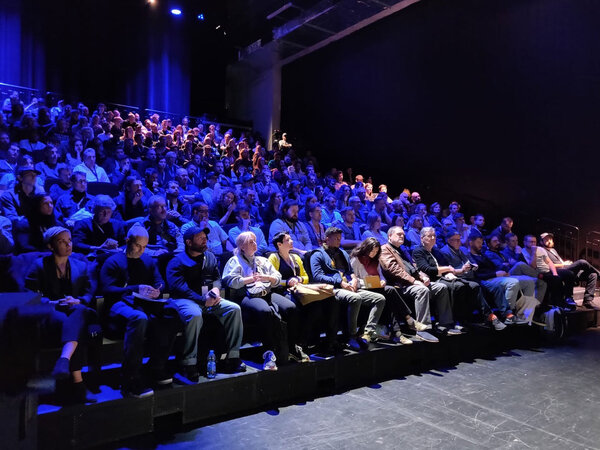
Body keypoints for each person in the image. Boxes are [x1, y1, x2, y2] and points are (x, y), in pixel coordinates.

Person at [100, 225, 179, 398]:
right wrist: (136, 288)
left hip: (143, 303)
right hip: (118, 305)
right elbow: (107, 289)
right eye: (138, 246)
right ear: (128, 241)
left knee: (172, 311)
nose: (142, 250)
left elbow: (159, 281)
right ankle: (130, 378)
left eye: (145, 247)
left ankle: (156, 366)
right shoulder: (113, 261)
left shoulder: (148, 260)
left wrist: (157, 289)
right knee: (139, 318)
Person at [25, 227, 99, 404]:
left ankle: (64, 362)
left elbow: (89, 292)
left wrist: (78, 300)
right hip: (52, 312)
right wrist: (53, 303)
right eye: (62, 241)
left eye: (70, 240)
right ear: (51, 246)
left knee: (79, 312)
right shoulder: (39, 266)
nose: (68, 244)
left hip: (77, 309)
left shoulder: (80, 265)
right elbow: (31, 295)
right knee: (73, 324)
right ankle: (77, 382)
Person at [166, 227, 246, 382]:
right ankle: (189, 363)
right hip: (185, 299)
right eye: (200, 237)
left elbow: (216, 277)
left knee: (234, 309)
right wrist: (203, 300)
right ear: (189, 242)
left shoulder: (209, 257)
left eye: (205, 237)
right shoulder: (177, 261)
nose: (205, 240)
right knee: (195, 315)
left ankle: (233, 357)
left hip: (209, 297)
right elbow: (179, 287)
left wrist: (216, 290)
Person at [222, 231, 302, 370]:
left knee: (291, 307)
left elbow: (276, 277)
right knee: (265, 311)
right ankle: (269, 354)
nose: (255, 244)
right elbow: (229, 281)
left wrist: (268, 278)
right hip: (246, 295)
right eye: (250, 242)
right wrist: (250, 279)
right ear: (242, 247)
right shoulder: (234, 261)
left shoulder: (262, 260)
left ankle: (291, 347)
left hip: (266, 292)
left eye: (255, 241)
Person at [413, 228, 505, 331]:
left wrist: (458, 271)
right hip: (432, 279)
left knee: (474, 285)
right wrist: (447, 270)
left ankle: (488, 316)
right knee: (459, 286)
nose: (433, 238)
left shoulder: (436, 251)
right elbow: (426, 269)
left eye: (434, 235)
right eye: (429, 236)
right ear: (421, 238)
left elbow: (448, 268)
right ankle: (458, 320)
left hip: (445, 277)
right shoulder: (418, 251)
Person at [310, 227, 386, 350]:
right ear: (327, 238)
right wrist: (340, 282)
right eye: (336, 238)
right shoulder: (317, 254)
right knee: (355, 298)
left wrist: (354, 279)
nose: (339, 241)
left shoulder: (343, 253)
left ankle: (368, 332)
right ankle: (352, 336)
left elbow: (350, 271)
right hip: (332, 288)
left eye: (340, 238)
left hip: (349, 286)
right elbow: (317, 276)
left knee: (379, 299)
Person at [350, 238, 429, 344]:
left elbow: (381, 275)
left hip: (376, 286)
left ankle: (399, 333)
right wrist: (368, 283)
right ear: (366, 248)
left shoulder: (375, 260)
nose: (373, 254)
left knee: (390, 294)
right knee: (390, 292)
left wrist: (382, 281)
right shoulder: (357, 259)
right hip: (363, 288)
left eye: (376, 251)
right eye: (372, 251)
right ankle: (408, 321)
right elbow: (353, 277)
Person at [379, 226, 450, 342]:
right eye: (398, 234)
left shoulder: (403, 249)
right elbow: (394, 270)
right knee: (422, 290)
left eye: (403, 234)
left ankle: (445, 323)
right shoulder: (385, 249)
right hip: (400, 285)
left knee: (441, 287)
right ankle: (423, 330)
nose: (402, 236)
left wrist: (422, 276)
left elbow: (414, 266)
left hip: (412, 282)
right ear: (389, 236)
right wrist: (414, 281)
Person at [466, 231, 522, 323]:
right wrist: (496, 274)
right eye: (478, 242)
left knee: (524, 281)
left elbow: (493, 267)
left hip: (494, 276)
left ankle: (514, 313)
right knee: (513, 282)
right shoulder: (469, 256)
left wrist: (502, 272)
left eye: (481, 242)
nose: (481, 245)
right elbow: (477, 274)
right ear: (471, 242)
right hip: (486, 279)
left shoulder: (482, 255)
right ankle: (508, 314)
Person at [540, 232, 599, 309]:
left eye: (550, 239)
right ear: (541, 241)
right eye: (546, 239)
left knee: (593, 275)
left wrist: (565, 263)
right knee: (582, 262)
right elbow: (547, 265)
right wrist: (563, 265)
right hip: (558, 271)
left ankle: (588, 301)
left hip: (566, 269)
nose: (549, 241)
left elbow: (560, 262)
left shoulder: (553, 250)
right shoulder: (541, 250)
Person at [485, 234, 545, 302]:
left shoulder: (500, 253)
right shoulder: (491, 253)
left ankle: (536, 306)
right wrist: (517, 255)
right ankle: (542, 276)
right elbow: (501, 266)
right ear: (488, 244)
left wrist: (510, 262)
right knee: (520, 264)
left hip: (512, 272)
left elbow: (523, 264)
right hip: (504, 275)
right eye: (495, 241)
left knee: (542, 283)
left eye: (516, 240)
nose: (498, 243)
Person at [521, 234, 574, 309]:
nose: (533, 244)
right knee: (556, 280)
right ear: (525, 242)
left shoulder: (541, 249)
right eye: (531, 242)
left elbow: (549, 262)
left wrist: (555, 273)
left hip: (548, 271)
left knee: (569, 274)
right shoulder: (523, 252)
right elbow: (532, 266)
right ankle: (559, 304)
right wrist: (533, 253)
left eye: (534, 242)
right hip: (538, 273)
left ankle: (568, 298)